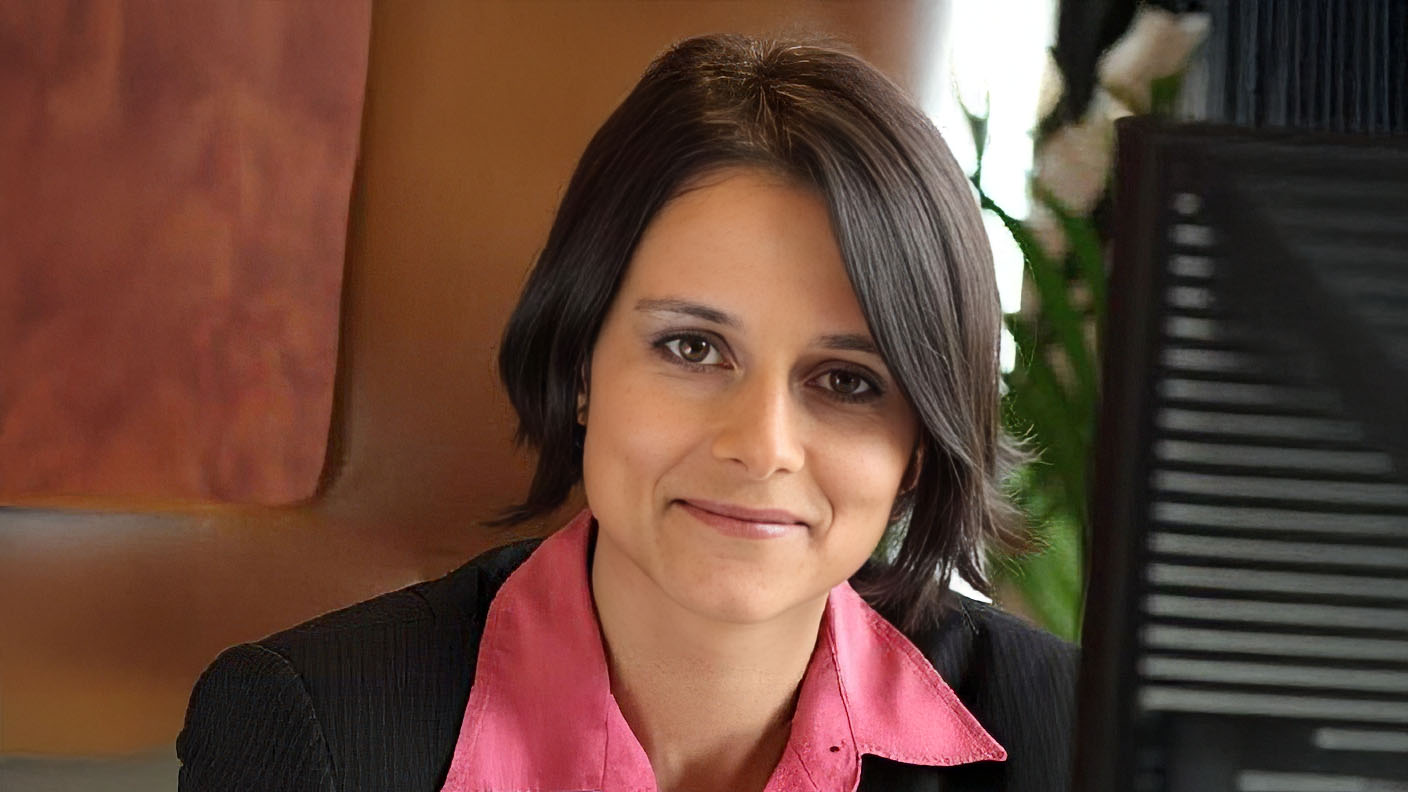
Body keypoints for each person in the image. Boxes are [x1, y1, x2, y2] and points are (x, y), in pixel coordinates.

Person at [177, 33, 1076, 792]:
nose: (761, 446)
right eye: (693, 348)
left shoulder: (1068, 736)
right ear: (580, 362)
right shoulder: (311, 734)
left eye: (846, 382)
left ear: (919, 443)